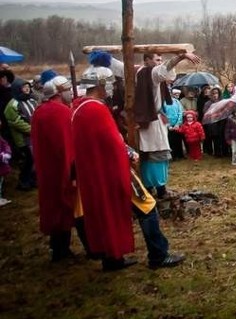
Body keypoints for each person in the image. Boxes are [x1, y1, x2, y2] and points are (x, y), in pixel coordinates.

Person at [72, 63, 184, 271]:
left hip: (95, 175)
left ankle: (112, 259)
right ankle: (158, 255)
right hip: (113, 172)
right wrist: (129, 155)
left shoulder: (78, 108)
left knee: (107, 213)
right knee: (147, 207)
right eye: (108, 85)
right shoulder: (96, 110)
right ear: (100, 85)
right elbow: (113, 142)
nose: (110, 89)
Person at [30, 73, 89, 261]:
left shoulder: (40, 111)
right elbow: (67, 146)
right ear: (58, 92)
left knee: (57, 208)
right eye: (66, 90)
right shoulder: (60, 112)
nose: (70, 94)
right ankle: (89, 248)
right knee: (73, 207)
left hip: (47, 169)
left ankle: (59, 249)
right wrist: (74, 172)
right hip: (62, 169)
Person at [133, 51, 200, 197]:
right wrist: (180, 57)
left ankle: (157, 187)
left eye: (160, 59)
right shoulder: (148, 73)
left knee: (157, 153)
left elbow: (167, 71)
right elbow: (165, 68)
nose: (159, 62)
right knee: (153, 154)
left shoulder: (145, 72)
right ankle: (155, 188)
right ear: (147, 61)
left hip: (155, 118)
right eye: (156, 59)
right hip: (150, 121)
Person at [4, 78, 37, 190]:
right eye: (24, 87)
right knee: (28, 160)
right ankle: (23, 181)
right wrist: (33, 130)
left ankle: (32, 180)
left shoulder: (32, 100)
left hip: (34, 137)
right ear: (18, 89)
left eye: (28, 86)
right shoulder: (12, 105)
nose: (27, 89)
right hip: (23, 139)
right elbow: (16, 122)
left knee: (35, 159)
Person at [163, 88, 185, 159]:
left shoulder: (177, 102)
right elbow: (163, 114)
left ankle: (180, 155)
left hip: (177, 125)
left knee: (178, 140)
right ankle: (173, 156)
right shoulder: (163, 103)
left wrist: (177, 124)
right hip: (168, 125)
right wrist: (168, 125)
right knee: (170, 140)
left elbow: (180, 113)